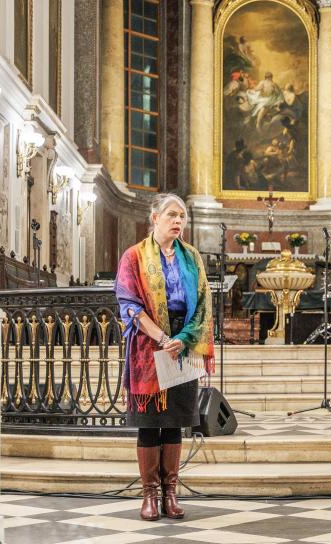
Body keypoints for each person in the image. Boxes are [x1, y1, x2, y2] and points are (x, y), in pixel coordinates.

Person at [115, 193, 215, 521]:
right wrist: (162, 337)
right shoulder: (133, 256)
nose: (178, 221)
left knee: (174, 424)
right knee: (148, 425)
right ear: (154, 217)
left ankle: (170, 492)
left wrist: (182, 339)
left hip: (182, 350)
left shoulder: (192, 258)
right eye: (171, 215)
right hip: (148, 349)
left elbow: (202, 305)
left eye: (182, 217)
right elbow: (129, 304)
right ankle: (149, 495)